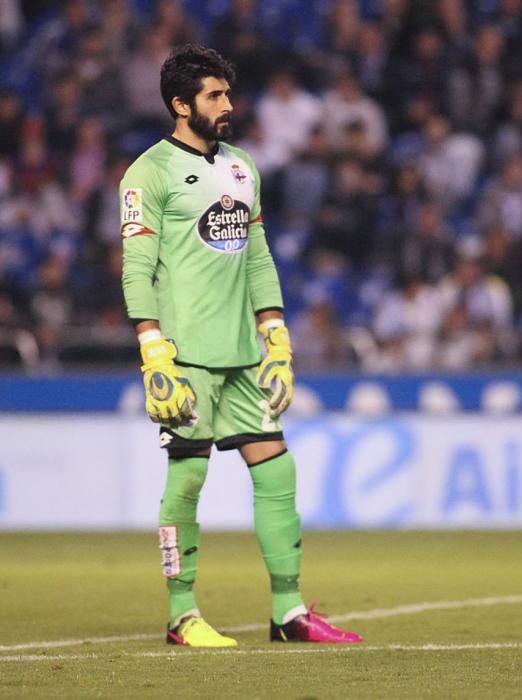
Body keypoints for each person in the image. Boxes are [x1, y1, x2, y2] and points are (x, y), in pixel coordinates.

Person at [119, 45, 362, 648]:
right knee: (189, 477)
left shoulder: (242, 168)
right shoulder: (148, 173)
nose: (227, 104)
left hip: (241, 357)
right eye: (214, 95)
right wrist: (153, 351)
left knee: (277, 471)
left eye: (227, 93)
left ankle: (289, 612)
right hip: (186, 355)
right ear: (181, 105)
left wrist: (276, 337)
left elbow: (258, 259)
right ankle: (182, 616)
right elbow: (136, 269)